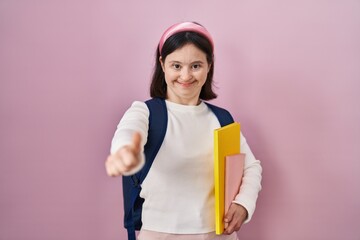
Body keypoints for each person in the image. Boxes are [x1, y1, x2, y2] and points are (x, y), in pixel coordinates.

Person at [105, 22, 262, 240]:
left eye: (196, 66)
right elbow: (129, 132)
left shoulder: (221, 119)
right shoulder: (145, 112)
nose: (186, 76)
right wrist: (125, 150)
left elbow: (251, 166)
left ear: (209, 64)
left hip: (218, 235)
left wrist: (243, 204)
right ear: (162, 64)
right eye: (176, 66)